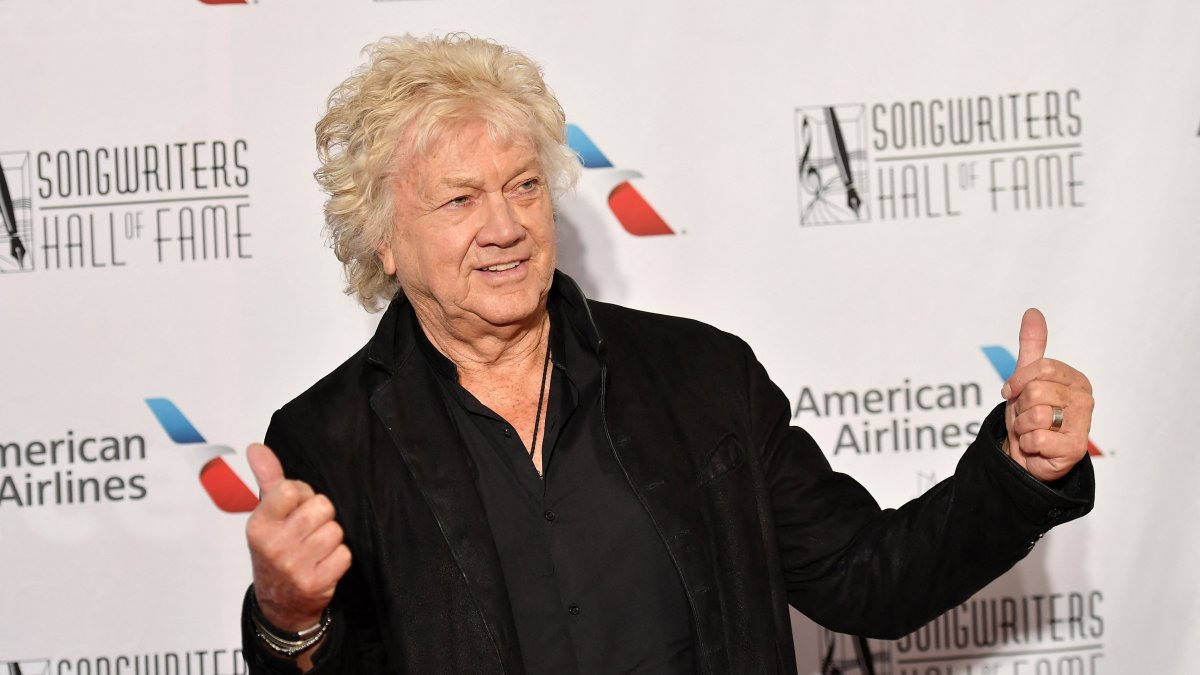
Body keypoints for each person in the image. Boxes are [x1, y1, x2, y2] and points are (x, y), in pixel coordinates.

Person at [240, 34, 1095, 674]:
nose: (504, 226)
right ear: (383, 239)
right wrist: (288, 616)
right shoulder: (330, 440)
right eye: (460, 199)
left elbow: (868, 578)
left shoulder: (703, 380)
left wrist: (1016, 470)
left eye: (524, 186)